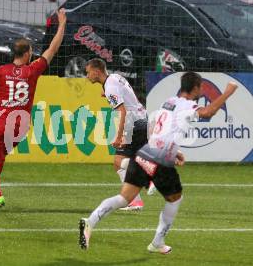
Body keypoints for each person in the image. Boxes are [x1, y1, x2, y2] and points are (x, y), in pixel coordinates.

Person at [79, 72, 238, 253]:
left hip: (146, 152)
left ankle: (90, 222)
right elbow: (208, 111)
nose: (201, 90)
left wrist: (175, 151)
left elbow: (156, 128)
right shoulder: (188, 106)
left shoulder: (169, 102)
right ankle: (157, 242)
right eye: (200, 87)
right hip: (160, 160)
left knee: (124, 198)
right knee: (175, 199)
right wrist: (227, 92)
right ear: (195, 88)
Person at [0, 8, 67, 212]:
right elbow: (52, 49)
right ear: (27, 54)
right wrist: (62, 24)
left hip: (2, 121)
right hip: (21, 126)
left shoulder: (1, 71)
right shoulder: (33, 70)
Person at [85, 58, 150, 211]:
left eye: (88, 72)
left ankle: (148, 173)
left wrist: (119, 136)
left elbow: (122, 111)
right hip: (142, 118)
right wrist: (106, 94)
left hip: (132, 123)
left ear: (97, 71)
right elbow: (124, 93)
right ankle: (136, 200)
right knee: (122, 162)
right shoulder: (114, 77)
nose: (87, 76)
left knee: (118, 161)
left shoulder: (110, 87)